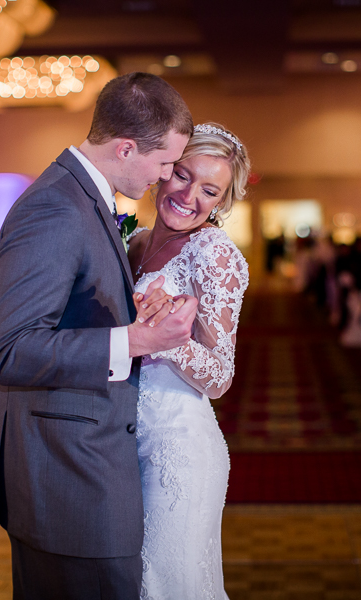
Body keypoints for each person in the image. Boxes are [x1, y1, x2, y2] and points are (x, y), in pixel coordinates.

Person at [0, 72, 197, 600]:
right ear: (125, 148)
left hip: (77, 467)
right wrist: (137, 341)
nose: (168, 177)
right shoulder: (55, 207)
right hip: (68, 479)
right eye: (165, 162)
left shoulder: (84, 197)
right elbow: (11, 351)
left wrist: (136, 315)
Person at [125, 122, 249, 598]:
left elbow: (220, 376)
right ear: (161, 171)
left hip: (178, 450)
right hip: (122, 444)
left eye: (209, 190)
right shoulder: (134, 243)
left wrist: (166, 338)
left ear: (221, 202)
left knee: (163, 588)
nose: (189, 195)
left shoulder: (213, 253)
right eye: (182, 175)